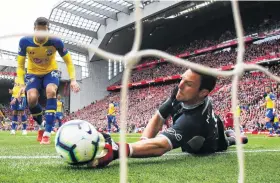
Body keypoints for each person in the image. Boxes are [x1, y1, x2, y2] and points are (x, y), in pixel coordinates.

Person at [88, 69, 248, 168]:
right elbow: (158, 117)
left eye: (188, 84)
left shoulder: (193, 122)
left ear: (203, 93)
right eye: (182, 79)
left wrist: (119, 150)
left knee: (227, 142)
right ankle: (230, 133)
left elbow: (160, 146)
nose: (180, 85)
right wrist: (144, 141)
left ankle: (234, 137)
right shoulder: (179, 93)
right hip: (213, 121)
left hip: (213, 140)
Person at [16, 17, 80, 144]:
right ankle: (42, 125)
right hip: (33, 73)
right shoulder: (24, 42)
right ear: (34, 30)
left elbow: (68, 60)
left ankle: (47, 132)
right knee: (31, 99)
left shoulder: (55, 41)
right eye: (38, 31)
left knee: (51, 91)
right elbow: (20, 65)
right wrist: (21, 84)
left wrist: (73, 80)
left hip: (51, 72)